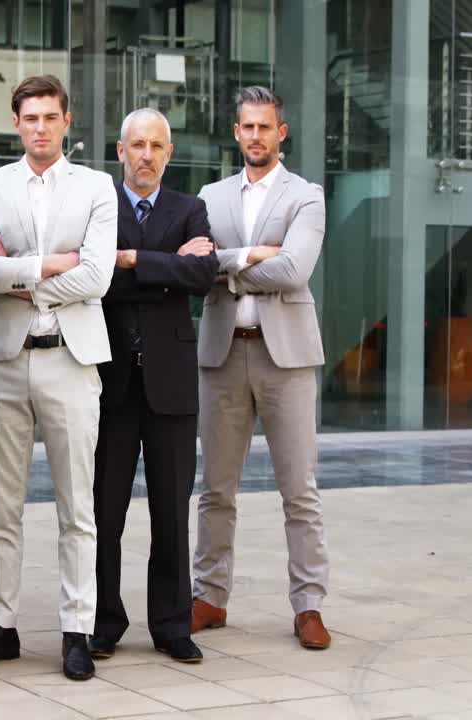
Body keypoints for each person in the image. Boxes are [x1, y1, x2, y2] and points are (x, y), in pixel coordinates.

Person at [0, 74, 115, 681]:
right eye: (31, 118)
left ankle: (77, 627)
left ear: (66, 122)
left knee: (79, 506)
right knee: (3, 506)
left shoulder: (98, 187)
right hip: (4, 358)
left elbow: (98, 278)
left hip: (73, 360)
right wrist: (51, 266)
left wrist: (16, 273)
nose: (41, 127)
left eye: (51, 116)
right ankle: (2, 626)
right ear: (17, 123)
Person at [190, 86, 332, 650]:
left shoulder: (307, 196)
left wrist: (228, 266)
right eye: (247, 127)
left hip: (288, 358)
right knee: (216, 489)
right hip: (223, 352)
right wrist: (253, 256)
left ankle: (309, 604)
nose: (255, 137)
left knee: (299, 490)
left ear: (282, 132)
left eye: (265, 128)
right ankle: (210, 596)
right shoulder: (210, 196)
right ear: (236, 132)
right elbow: (198, 266)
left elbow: (295, 270)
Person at [87, 108, 217, 665]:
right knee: (104, 512)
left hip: (171, 385)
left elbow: (202, 277)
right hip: (110, 381)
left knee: (171, 510)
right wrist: (164, 268)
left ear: (169, 152)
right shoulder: (99, 203)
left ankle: (171, 624)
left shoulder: (192, 208)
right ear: (120, 150)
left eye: (156, 146)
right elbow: (94, 278)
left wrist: (134, 259)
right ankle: (103, 621)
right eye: (136, 144)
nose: (146, 155)